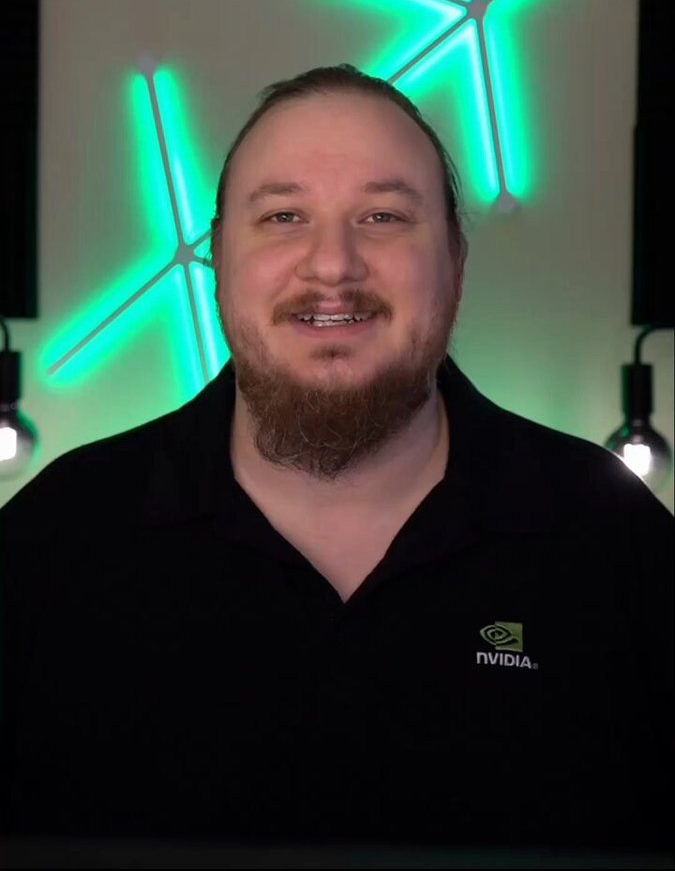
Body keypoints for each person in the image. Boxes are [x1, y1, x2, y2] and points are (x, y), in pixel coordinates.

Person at [0, 64, 672, 857]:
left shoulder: (616, 541)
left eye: (383, 216)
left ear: (454, 265)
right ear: (216, 261)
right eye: (283, 216)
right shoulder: (56, 537)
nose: (331, 266)